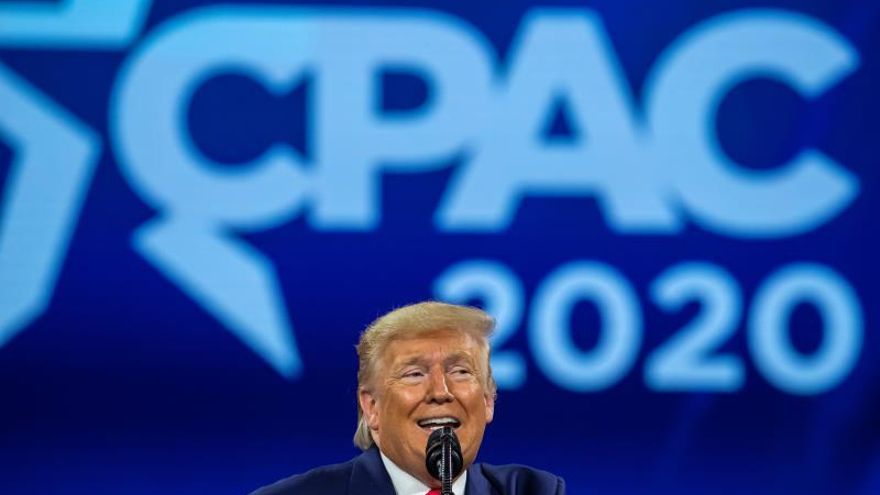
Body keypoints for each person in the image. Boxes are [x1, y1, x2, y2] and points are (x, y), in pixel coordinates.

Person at [251, 301, 565, 495]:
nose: (441, 392)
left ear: (488, 400)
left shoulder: (533, 491)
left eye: (460, 372)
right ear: (371, 407)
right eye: (414, 374)